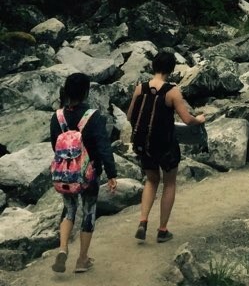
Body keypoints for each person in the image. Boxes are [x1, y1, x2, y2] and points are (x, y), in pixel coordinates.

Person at [126, 50, 205, 243]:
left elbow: (130, 116)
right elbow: (186, 119)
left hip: (144, 143)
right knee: (169, 183)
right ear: (171, 69)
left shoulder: (140, 88)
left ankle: (143, 221)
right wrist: (199, 119)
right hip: (165, 144)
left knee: (151, 180)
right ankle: (162, 230)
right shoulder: (172, 91)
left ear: (153, 66)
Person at [50, 72, 118, 274]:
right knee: (89, 211)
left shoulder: (57, 117)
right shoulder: (93, 116)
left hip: (65, 174)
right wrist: (112, 173)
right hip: (90, 173)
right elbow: (103, 146)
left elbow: (55, 146)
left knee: (69, 209)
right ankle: (82, 260)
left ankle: (63, 249)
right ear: (86, 92)